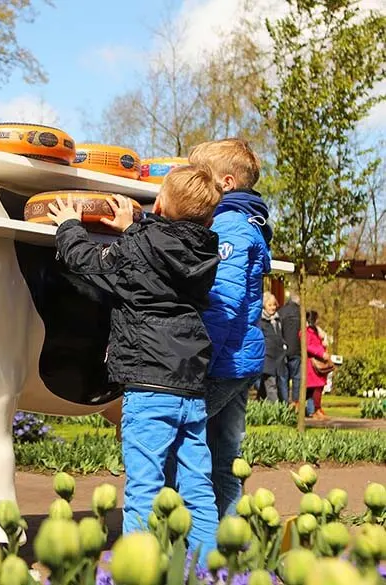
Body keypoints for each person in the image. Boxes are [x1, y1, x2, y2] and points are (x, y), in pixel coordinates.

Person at [49, 165, 222, 558]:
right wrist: (132, 231)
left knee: (144, 487)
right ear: (209, 217)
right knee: (196, 486)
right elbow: (160, 263)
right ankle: (212, 570)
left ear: (158, 202)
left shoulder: (141, 247)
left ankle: (136, 568)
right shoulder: (205, 251)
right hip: (190, 386)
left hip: (148, 385)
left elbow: (86, 261)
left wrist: (69, 226)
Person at [190, 138, 271, 519]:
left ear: (224, 183)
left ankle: (190, 536)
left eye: (198, 176)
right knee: (224, 451)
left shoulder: (229, 226)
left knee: (184, 440)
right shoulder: (246, 222)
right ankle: (229, 539)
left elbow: (225, 297)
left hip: (224, 359)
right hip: (239, 357)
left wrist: (201, 358)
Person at [257, 292, 286, 403]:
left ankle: (260, 403)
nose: (273, 308)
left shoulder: (278, 320)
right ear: (264, 305)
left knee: (267, 386)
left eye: (274, 305)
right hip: (267, 357)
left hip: (278, 358)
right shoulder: (261, 321)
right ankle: (275, 408)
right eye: (270, 305)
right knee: (271, 384)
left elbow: (280, 336)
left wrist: (284, 346)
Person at [306, 312, 333, 420]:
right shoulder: (307, 332)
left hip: (318, 363)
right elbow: (308, 346)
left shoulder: (315, 331)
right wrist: (321, 353)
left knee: (316, 388)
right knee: (316, 387)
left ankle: (315, 409)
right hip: (312, 363)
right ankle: (316, 410)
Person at [278, 292, 302, 406]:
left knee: (283, 377)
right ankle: (296, 402)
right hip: (297, 350)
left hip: (283, 350)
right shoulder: (301, 313)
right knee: (297, 376)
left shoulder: (281, 312)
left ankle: (284, 402)